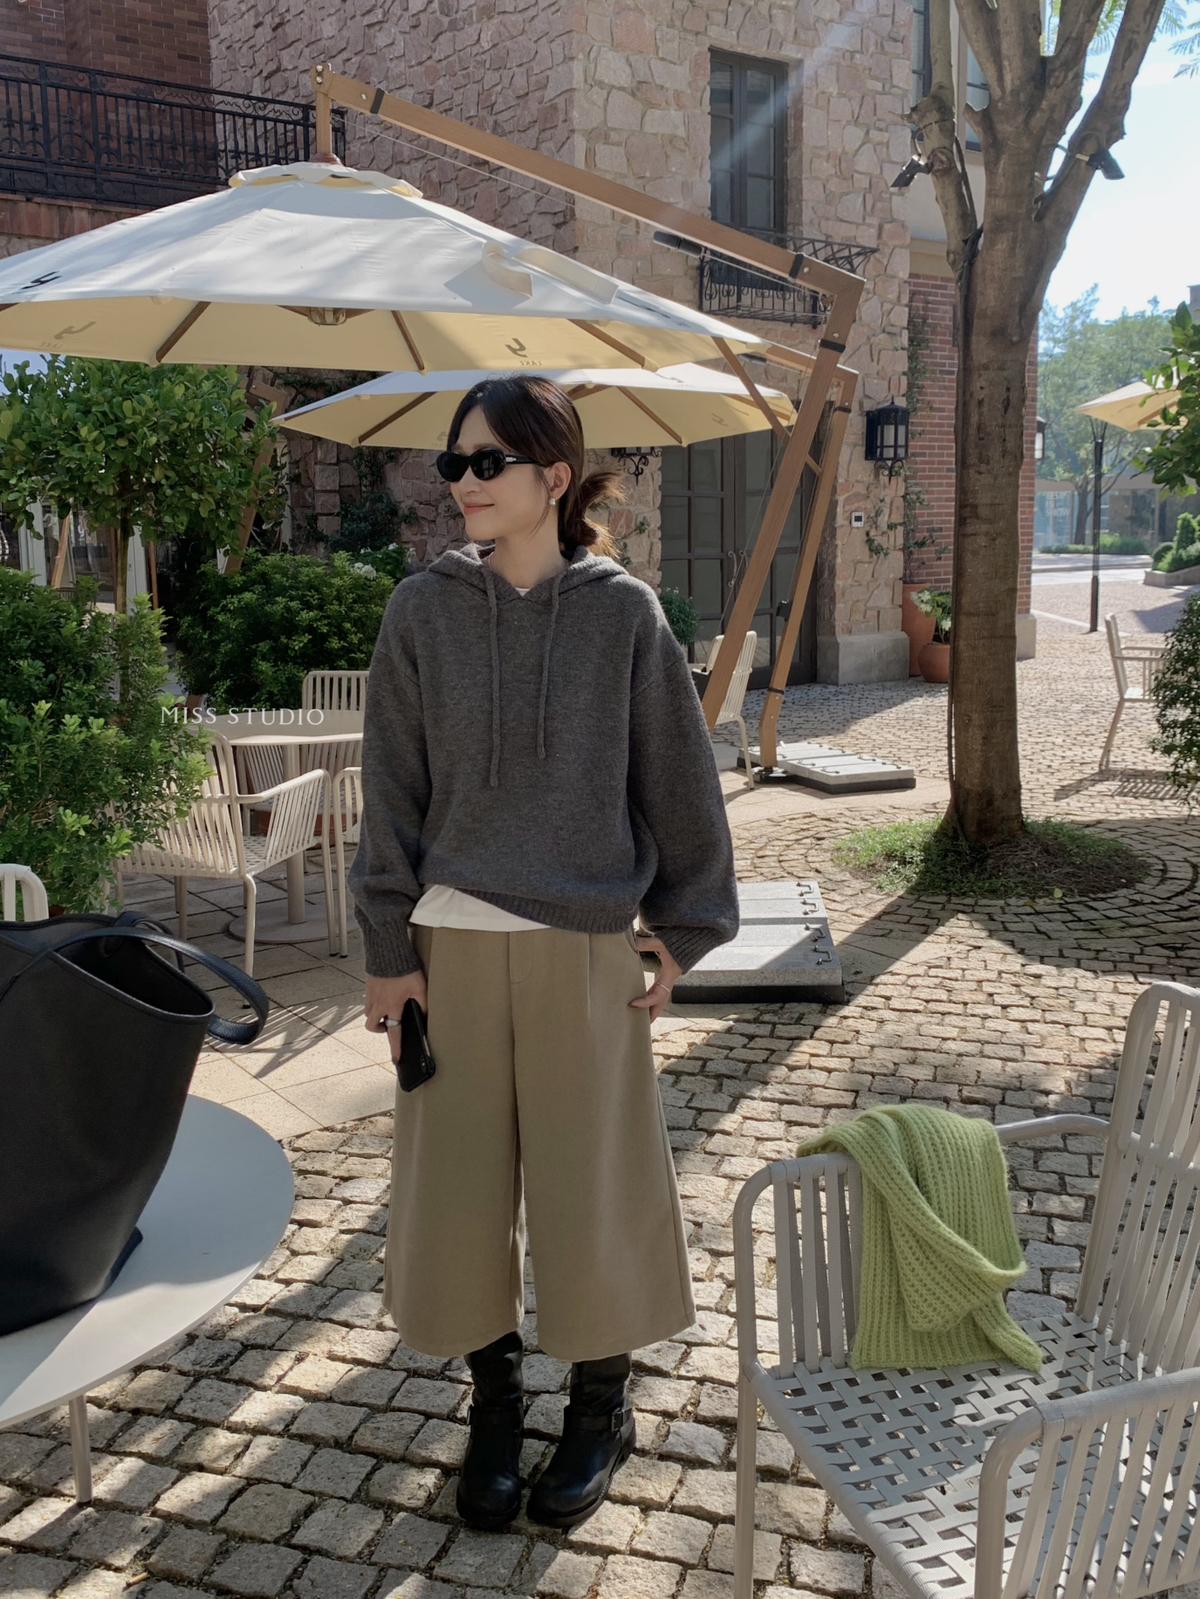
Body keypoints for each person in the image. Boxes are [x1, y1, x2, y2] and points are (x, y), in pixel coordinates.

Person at [347, 373, 740, 1533]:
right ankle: (495, 1409)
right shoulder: (421, 612)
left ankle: (600, 1410)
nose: (461, 483)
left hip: (583, 950)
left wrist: (683, 931)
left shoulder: (624, 616)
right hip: (450, 950)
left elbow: (680, 782)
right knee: (460, 1198)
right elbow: (390, 794)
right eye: (453, 463)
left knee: (592, 1188)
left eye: (486, 463)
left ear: (553, 478)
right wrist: (388, 949)